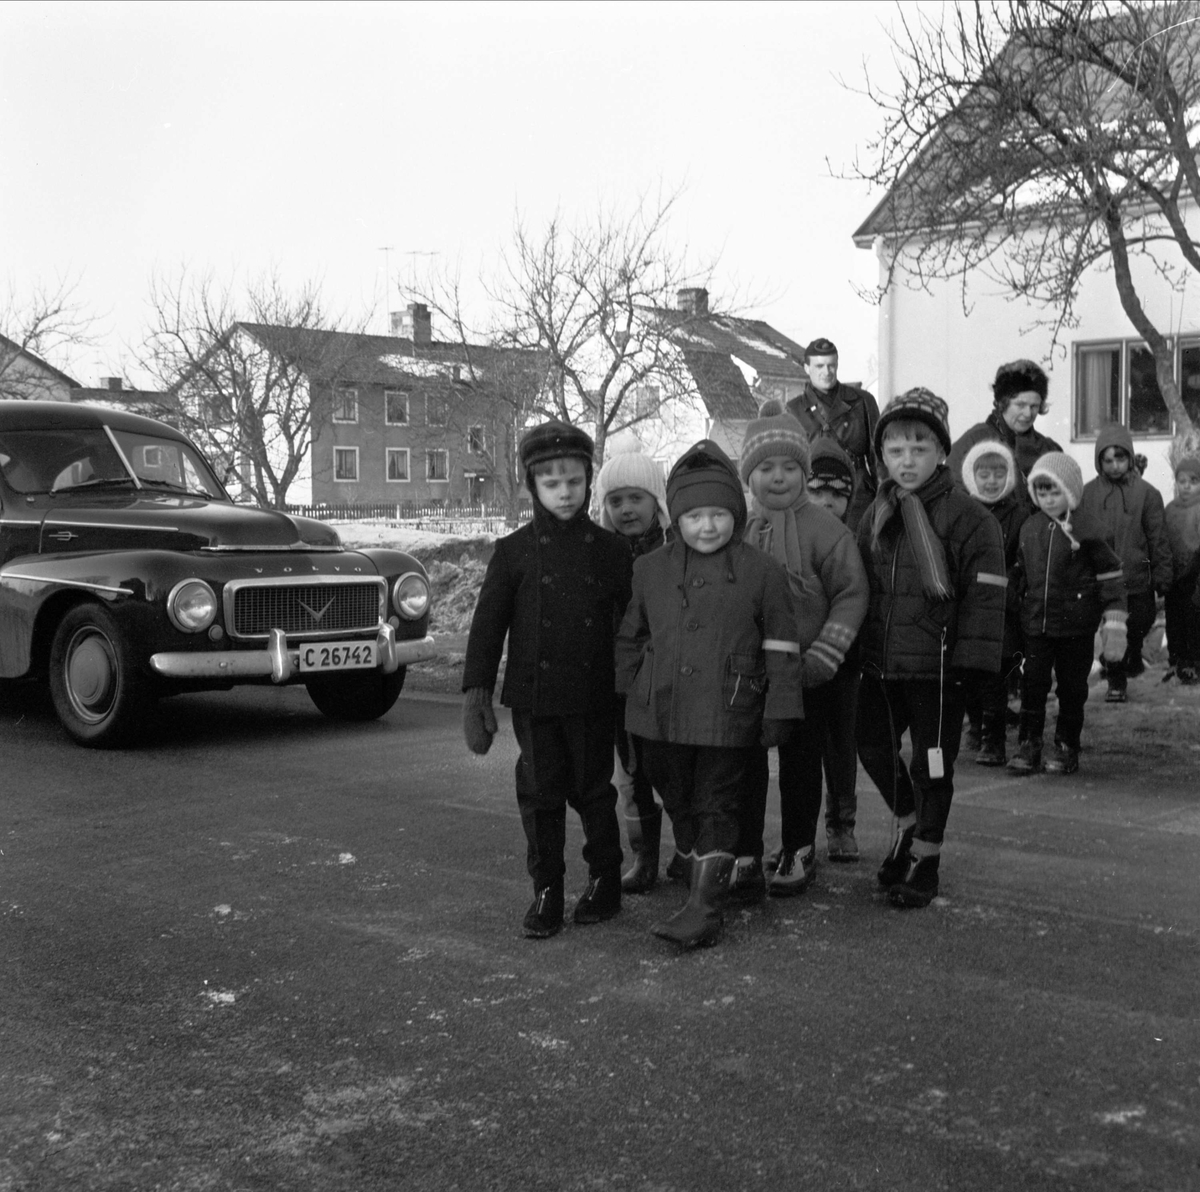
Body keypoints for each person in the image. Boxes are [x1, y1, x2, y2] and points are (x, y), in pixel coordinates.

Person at [614, 439, 803, 949]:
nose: (707, 526)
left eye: (718, 514)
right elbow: (632, 636)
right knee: (678, 795)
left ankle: (705, 907)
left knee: (717, 802)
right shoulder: (651, 569)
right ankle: (706, 864)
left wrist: (781, 708)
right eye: (695, 516)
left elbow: (783, 647)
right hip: (660, 711)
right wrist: (626, 693)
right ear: (676, 518)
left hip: (730, 710)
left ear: (735, 515)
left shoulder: (762, 572)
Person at [461, 420, 633, 940]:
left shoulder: (610, 550)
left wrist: (636, 691)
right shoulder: (513, 552)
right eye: (552, 482)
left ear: (588, 482)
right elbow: (488, 627)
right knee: (540, 794)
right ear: (532, 485)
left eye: (575, 481)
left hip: (594, 695)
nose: (564, 492)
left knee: (594, 791)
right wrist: (477, 693)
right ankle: (547, 889)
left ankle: (605, 881)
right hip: (535, 697)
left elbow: (630, 625)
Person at [855, 389, 1006, 909]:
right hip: (880, 663)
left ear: (941, 452)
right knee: (871, 744)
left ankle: (926, 858)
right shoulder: (877, 515)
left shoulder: (969, 518)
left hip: (939, 668)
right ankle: (906, 820)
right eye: (895, 450)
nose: (907, 460)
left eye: (919, 448)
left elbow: (987, 595)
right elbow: (862, 588)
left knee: (933, 764)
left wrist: (973, 663)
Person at [736, 404, 868, 900]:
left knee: (799, 764)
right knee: (747, 764)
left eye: (790, 467)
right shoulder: (741, 531)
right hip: (751, 675)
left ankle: (799, 846)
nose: (778, 477)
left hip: (808, 673)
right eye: (766, 468)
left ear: (804, 473)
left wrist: (824, 656)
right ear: (750, 476)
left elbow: (852, 594)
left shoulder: (827, 533)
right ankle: (745, 848)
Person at [1009, 453, 1127, 775]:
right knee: (1032, 685)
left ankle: (1066, 746)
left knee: (1071, 688)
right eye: (1042, 492)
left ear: (1071, 491)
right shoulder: (1030, 527)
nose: (1048, 499)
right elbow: (1021, 573)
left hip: (1075, 626)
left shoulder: (1088, 528)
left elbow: (1110, 575)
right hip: (1037, 625)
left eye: (1055, 491)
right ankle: (1029, 743)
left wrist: (1115, 620)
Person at [592, 435, 673, 893]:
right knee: (630, 776)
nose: (627, 509)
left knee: (672, 770)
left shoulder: (672, 549)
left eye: (636, 498)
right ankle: (644, 855)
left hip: (664, 681)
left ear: (655, 501)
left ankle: (688, 850)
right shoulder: (603, 554)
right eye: (616, 500)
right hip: (620, 686)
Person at [1078, 423, 1172, 702]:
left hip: (1136, 578)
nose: (1115, 466)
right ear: (1099, 461)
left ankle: (1127, 657)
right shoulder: (1088, 494)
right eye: (1108, 460)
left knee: (1141, 622)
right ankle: (1116, 680)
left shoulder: (1147, 493)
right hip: (1104, 580)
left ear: (1130, 458)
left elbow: (1158, 538)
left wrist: (1162, 573)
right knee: (1112, 629)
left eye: (1120, 459)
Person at [959, 439, 1032, 766]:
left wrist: (1011, 586)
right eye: (984, 474)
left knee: (996, 676)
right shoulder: (962, 511)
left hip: (1002, 610)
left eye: (998, 473)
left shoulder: (1018, 515)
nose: (991, 481)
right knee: (970, 674)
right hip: (968, 607)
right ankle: (976, 725)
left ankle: (994, 739)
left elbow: (1022, 558)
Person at [785, 337, 881, 531]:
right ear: (806, 368)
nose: (826, 372)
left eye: (831, 366)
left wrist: (884, 496)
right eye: (819, 366)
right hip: (815, 493)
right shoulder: (793, 410)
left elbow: (878, 456)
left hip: (859, 496)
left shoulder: (862, 402)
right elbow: (790, 464)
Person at [947, 359, 1062, 485]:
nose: (1028, 413)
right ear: (1003, 403)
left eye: (1034, 406)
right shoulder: (972, 443)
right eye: (1020, 405)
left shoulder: (1048, 449)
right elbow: (954, 493)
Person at [1163, 433, 1200, 684]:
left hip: (1195, 577)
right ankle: (1176, 660)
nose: (1186, 486)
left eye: (1193, 481)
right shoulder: (1170, 509)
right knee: (1173, 619)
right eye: (1182, 480)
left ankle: (1193, 662)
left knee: (1194, 620)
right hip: (1174, 576)